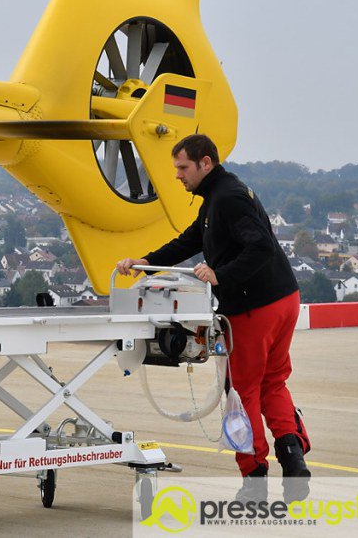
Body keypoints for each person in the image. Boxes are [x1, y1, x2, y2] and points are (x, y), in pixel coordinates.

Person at [116, 134, 311, 503]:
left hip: (255, 307)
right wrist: (146, 264)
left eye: (183, 167)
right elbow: (190, 241)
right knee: (273, 381)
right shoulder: (221, 197)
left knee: (241, 392)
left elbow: (261, 247)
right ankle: (293, 455)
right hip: (285, 299)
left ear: (206, 163)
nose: (177, 175)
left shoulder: (227, 199)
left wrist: (223, 275)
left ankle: (253, 481)